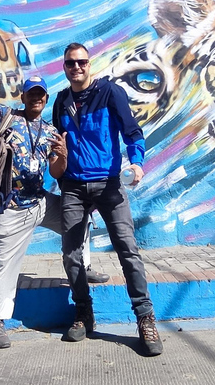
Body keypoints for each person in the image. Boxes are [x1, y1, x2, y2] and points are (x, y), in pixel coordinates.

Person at [0, 69, 107, 349]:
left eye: (40, 94)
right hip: (10, 209)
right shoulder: (4, 117)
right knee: (2, 265)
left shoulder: (51, 132)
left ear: (46, 98)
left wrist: (62, 156)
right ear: (23, 96)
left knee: (77, 217)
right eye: (31, 94)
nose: (36, 98)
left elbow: (55, 170)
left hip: (39, 203)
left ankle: (84, 267)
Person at [52, 42, 163, 357]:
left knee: (128, 250)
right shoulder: (60, 102)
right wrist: (57, 171)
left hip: (109, 184)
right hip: (73, 185)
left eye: (82, 62)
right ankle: (84, 313)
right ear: (65, 67)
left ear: (90, 64)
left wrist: (137, 161)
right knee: (71, 255)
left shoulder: (110, 93)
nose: (77, 68)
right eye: (71, 64)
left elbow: (132, 132)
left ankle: (145, 318)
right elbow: (57, 145)